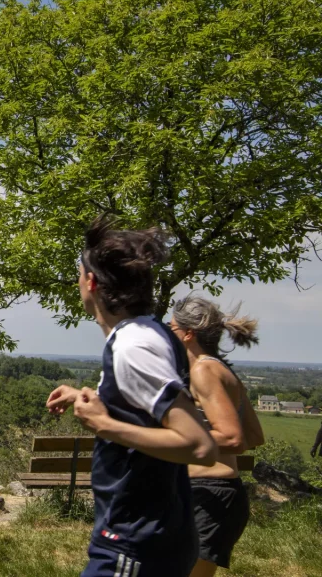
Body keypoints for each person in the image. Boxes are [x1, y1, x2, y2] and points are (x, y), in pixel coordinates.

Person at [47, 216, 217, 577]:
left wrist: (105, 425)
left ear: (91, 282)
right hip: (156, 530)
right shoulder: (149, 332)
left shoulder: (133, 345)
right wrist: (88, 398)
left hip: (134, 538)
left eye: (79, 273)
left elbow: (198, 445)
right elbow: (146, 411)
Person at [169, 295, 263, 577]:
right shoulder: (222, 370)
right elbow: (254, 436)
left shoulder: (204, 370)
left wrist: (171, 443)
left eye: (170, 328)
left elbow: (233, 438)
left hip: (210, 496)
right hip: (212, 494)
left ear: (187, 334)